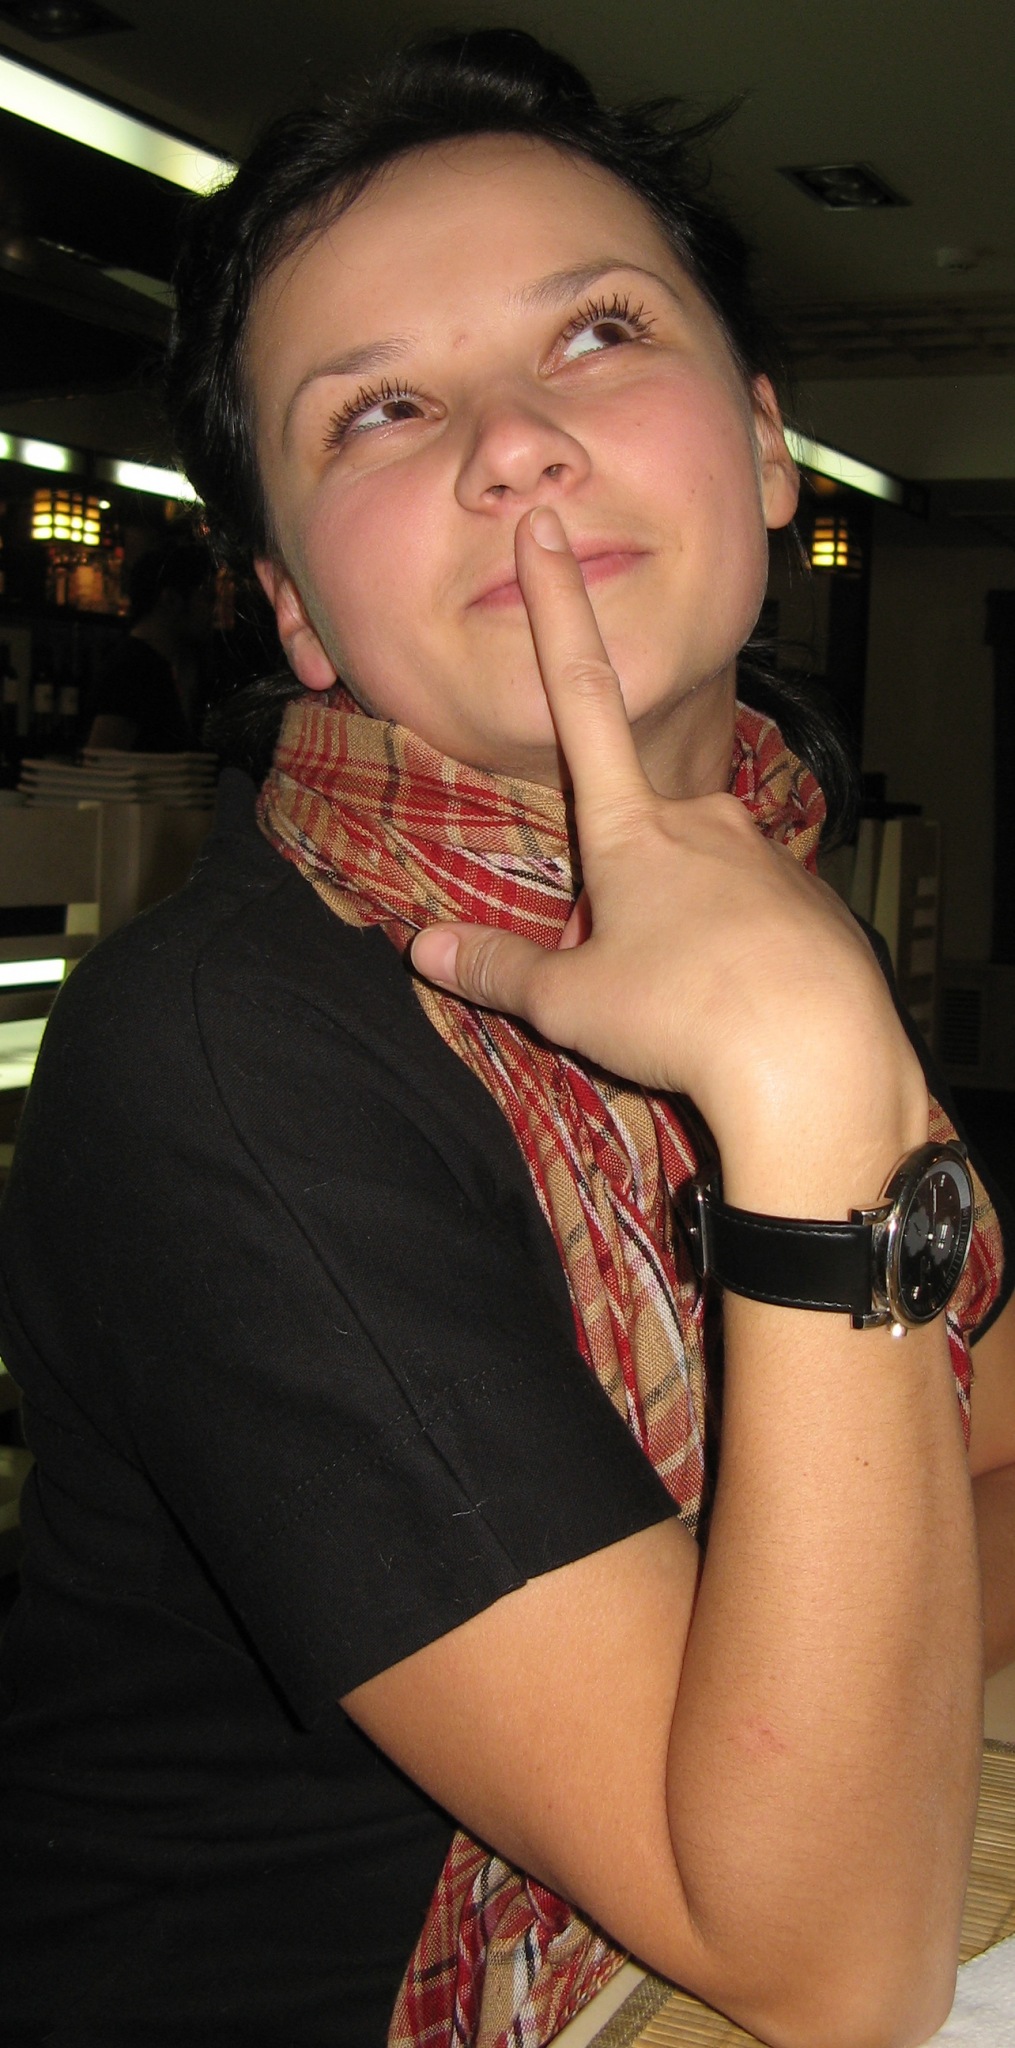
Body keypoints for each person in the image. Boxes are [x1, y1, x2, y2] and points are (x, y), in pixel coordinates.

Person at [2, 28, 1015, 2048]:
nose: (515, 447)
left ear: (764, 449)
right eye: (381, 406)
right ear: (298, 609)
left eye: (595, 334)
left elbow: (992, 1450)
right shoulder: (223, 1055)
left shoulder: (742, 869)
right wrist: (812, 1093)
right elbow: (827, 1954)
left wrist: (806, 1693)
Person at [86, 541, 216, 752]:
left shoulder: (166, 666)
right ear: (171, 600)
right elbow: (102, 759)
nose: (214, 610)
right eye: (207, 598)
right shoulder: (131, 669)